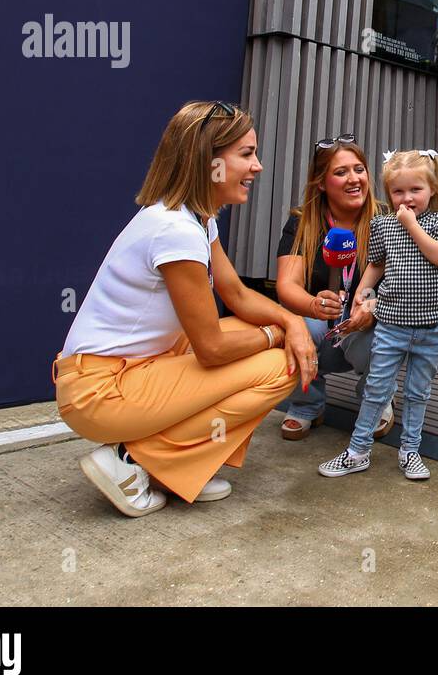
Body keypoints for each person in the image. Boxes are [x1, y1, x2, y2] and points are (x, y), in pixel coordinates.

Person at [54, 101, 312, 517]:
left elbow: (237, 294)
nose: (258, 166)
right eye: (246, 154)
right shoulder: (175, 231)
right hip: (100, 392)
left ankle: (168, 467)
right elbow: (209, 348)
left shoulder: (195, 218)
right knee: (284, 364)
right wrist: (278, 334)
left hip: (129, 370)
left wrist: (291, 319)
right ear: (208, 160)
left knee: (253, 331)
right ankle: (133, 461)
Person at [319, 150, 438, 479]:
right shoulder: (383, 225)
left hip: (431, 327)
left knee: (417, 392)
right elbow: (377, 263)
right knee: (377, 389)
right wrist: (361, 292)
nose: (407, 198)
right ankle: (357, 451)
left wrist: (411, 225)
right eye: (399, 191)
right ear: (389, 194)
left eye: (416, 190)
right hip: (391, 324)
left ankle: (410, 451)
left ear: (433, 190)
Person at [274, 135, 390, 441]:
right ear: (322, 183)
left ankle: (376, 397)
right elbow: (287, 285)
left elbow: (405, 284)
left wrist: (373, 307)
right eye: (341, 173)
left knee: (388, 327)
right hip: (322, 329)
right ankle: (306, 403)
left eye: (359, 170)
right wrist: (313, 304)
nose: (354, 179)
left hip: (365, 328)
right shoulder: (302, 222)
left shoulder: (387, 220)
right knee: (291, 322)